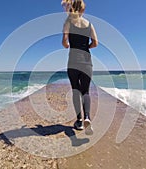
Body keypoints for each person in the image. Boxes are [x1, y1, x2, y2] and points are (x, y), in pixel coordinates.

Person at [61, 0, 98, 135]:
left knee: (76, 91)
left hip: (73, 62)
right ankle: (87, 116)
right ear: (82, 10)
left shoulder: (68, 22)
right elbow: (95, 43)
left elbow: (65, 43)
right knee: (85, 91)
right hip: (87, 62)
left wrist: (68, 43)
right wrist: (86, 47)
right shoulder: (89, 24)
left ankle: (79, 121)